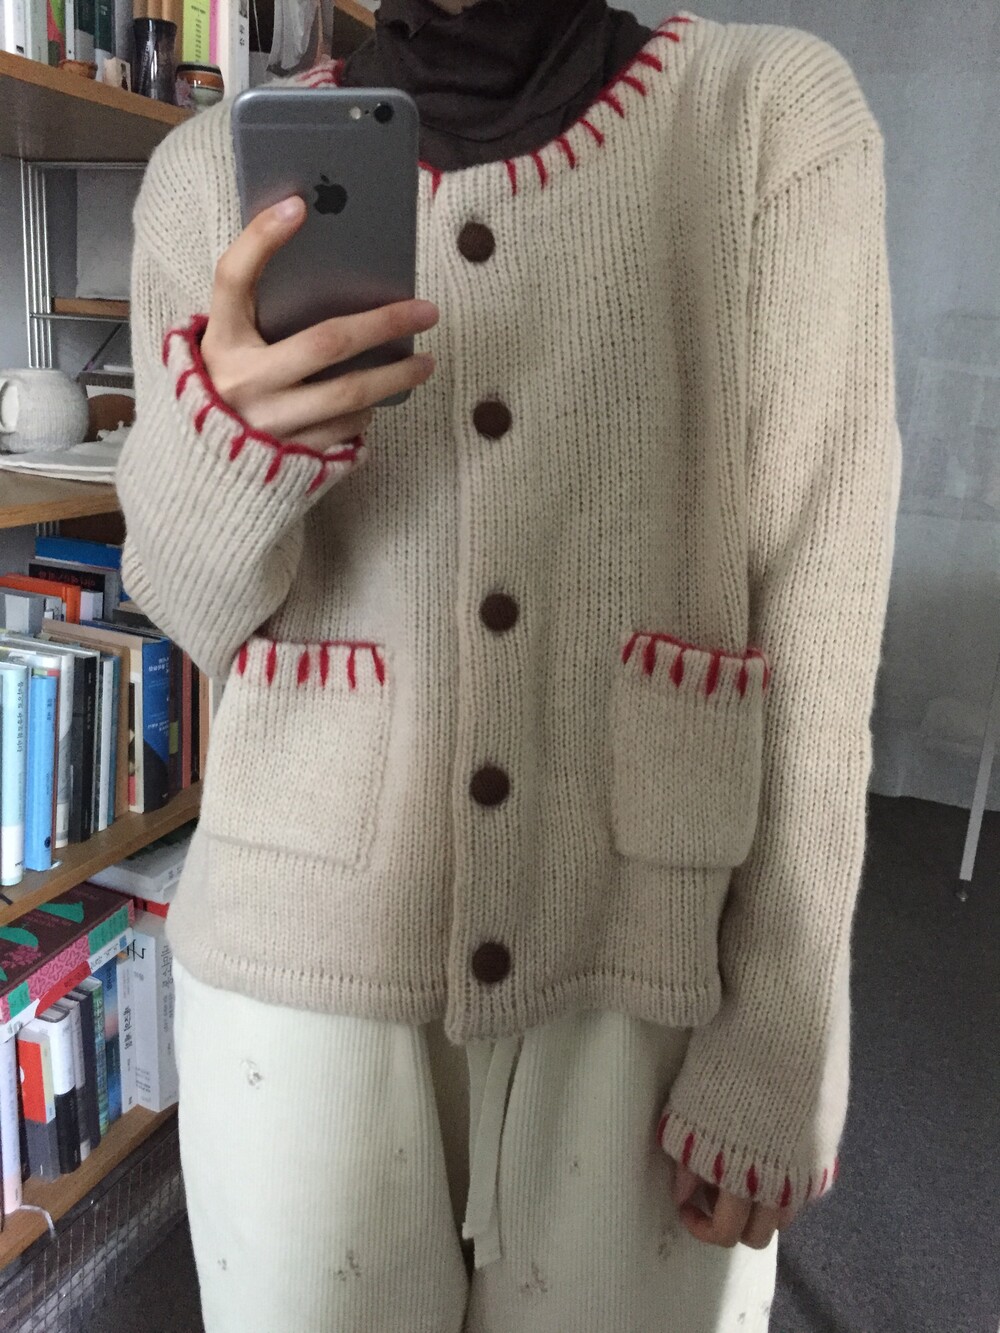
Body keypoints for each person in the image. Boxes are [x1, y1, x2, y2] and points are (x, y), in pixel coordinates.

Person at [117, 1, 901, 1329]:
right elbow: (192, 606)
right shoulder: (209, 175)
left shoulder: (772, 121)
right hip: (301, 961)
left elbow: (825, 618)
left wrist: (782, 1035)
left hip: (650, 940)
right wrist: (236, 450)